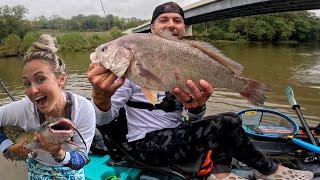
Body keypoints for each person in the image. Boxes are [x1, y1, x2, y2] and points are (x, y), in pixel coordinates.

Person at [87, 2, 313, 180]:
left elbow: (194, 118)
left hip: (174, 136)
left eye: (177, 20)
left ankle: (222, 174)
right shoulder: (125, 73)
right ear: (153, 28)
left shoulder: (186, 58)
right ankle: (270, 171)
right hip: (144, 146)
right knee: (226, 124)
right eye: (163, 19)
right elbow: (103, 119)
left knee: (231, 118)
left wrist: (196, 109)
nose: (171, 24)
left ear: (183, 29)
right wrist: (100, 96)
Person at [0, 34, 96, 179]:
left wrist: (59, 152)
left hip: (70, 169)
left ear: (61, 79)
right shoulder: (23, 108)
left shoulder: (84, 108)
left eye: (40, 79)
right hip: (36, 167)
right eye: (27, 83)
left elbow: (81, 159)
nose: (32, 90)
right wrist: (8, 147)